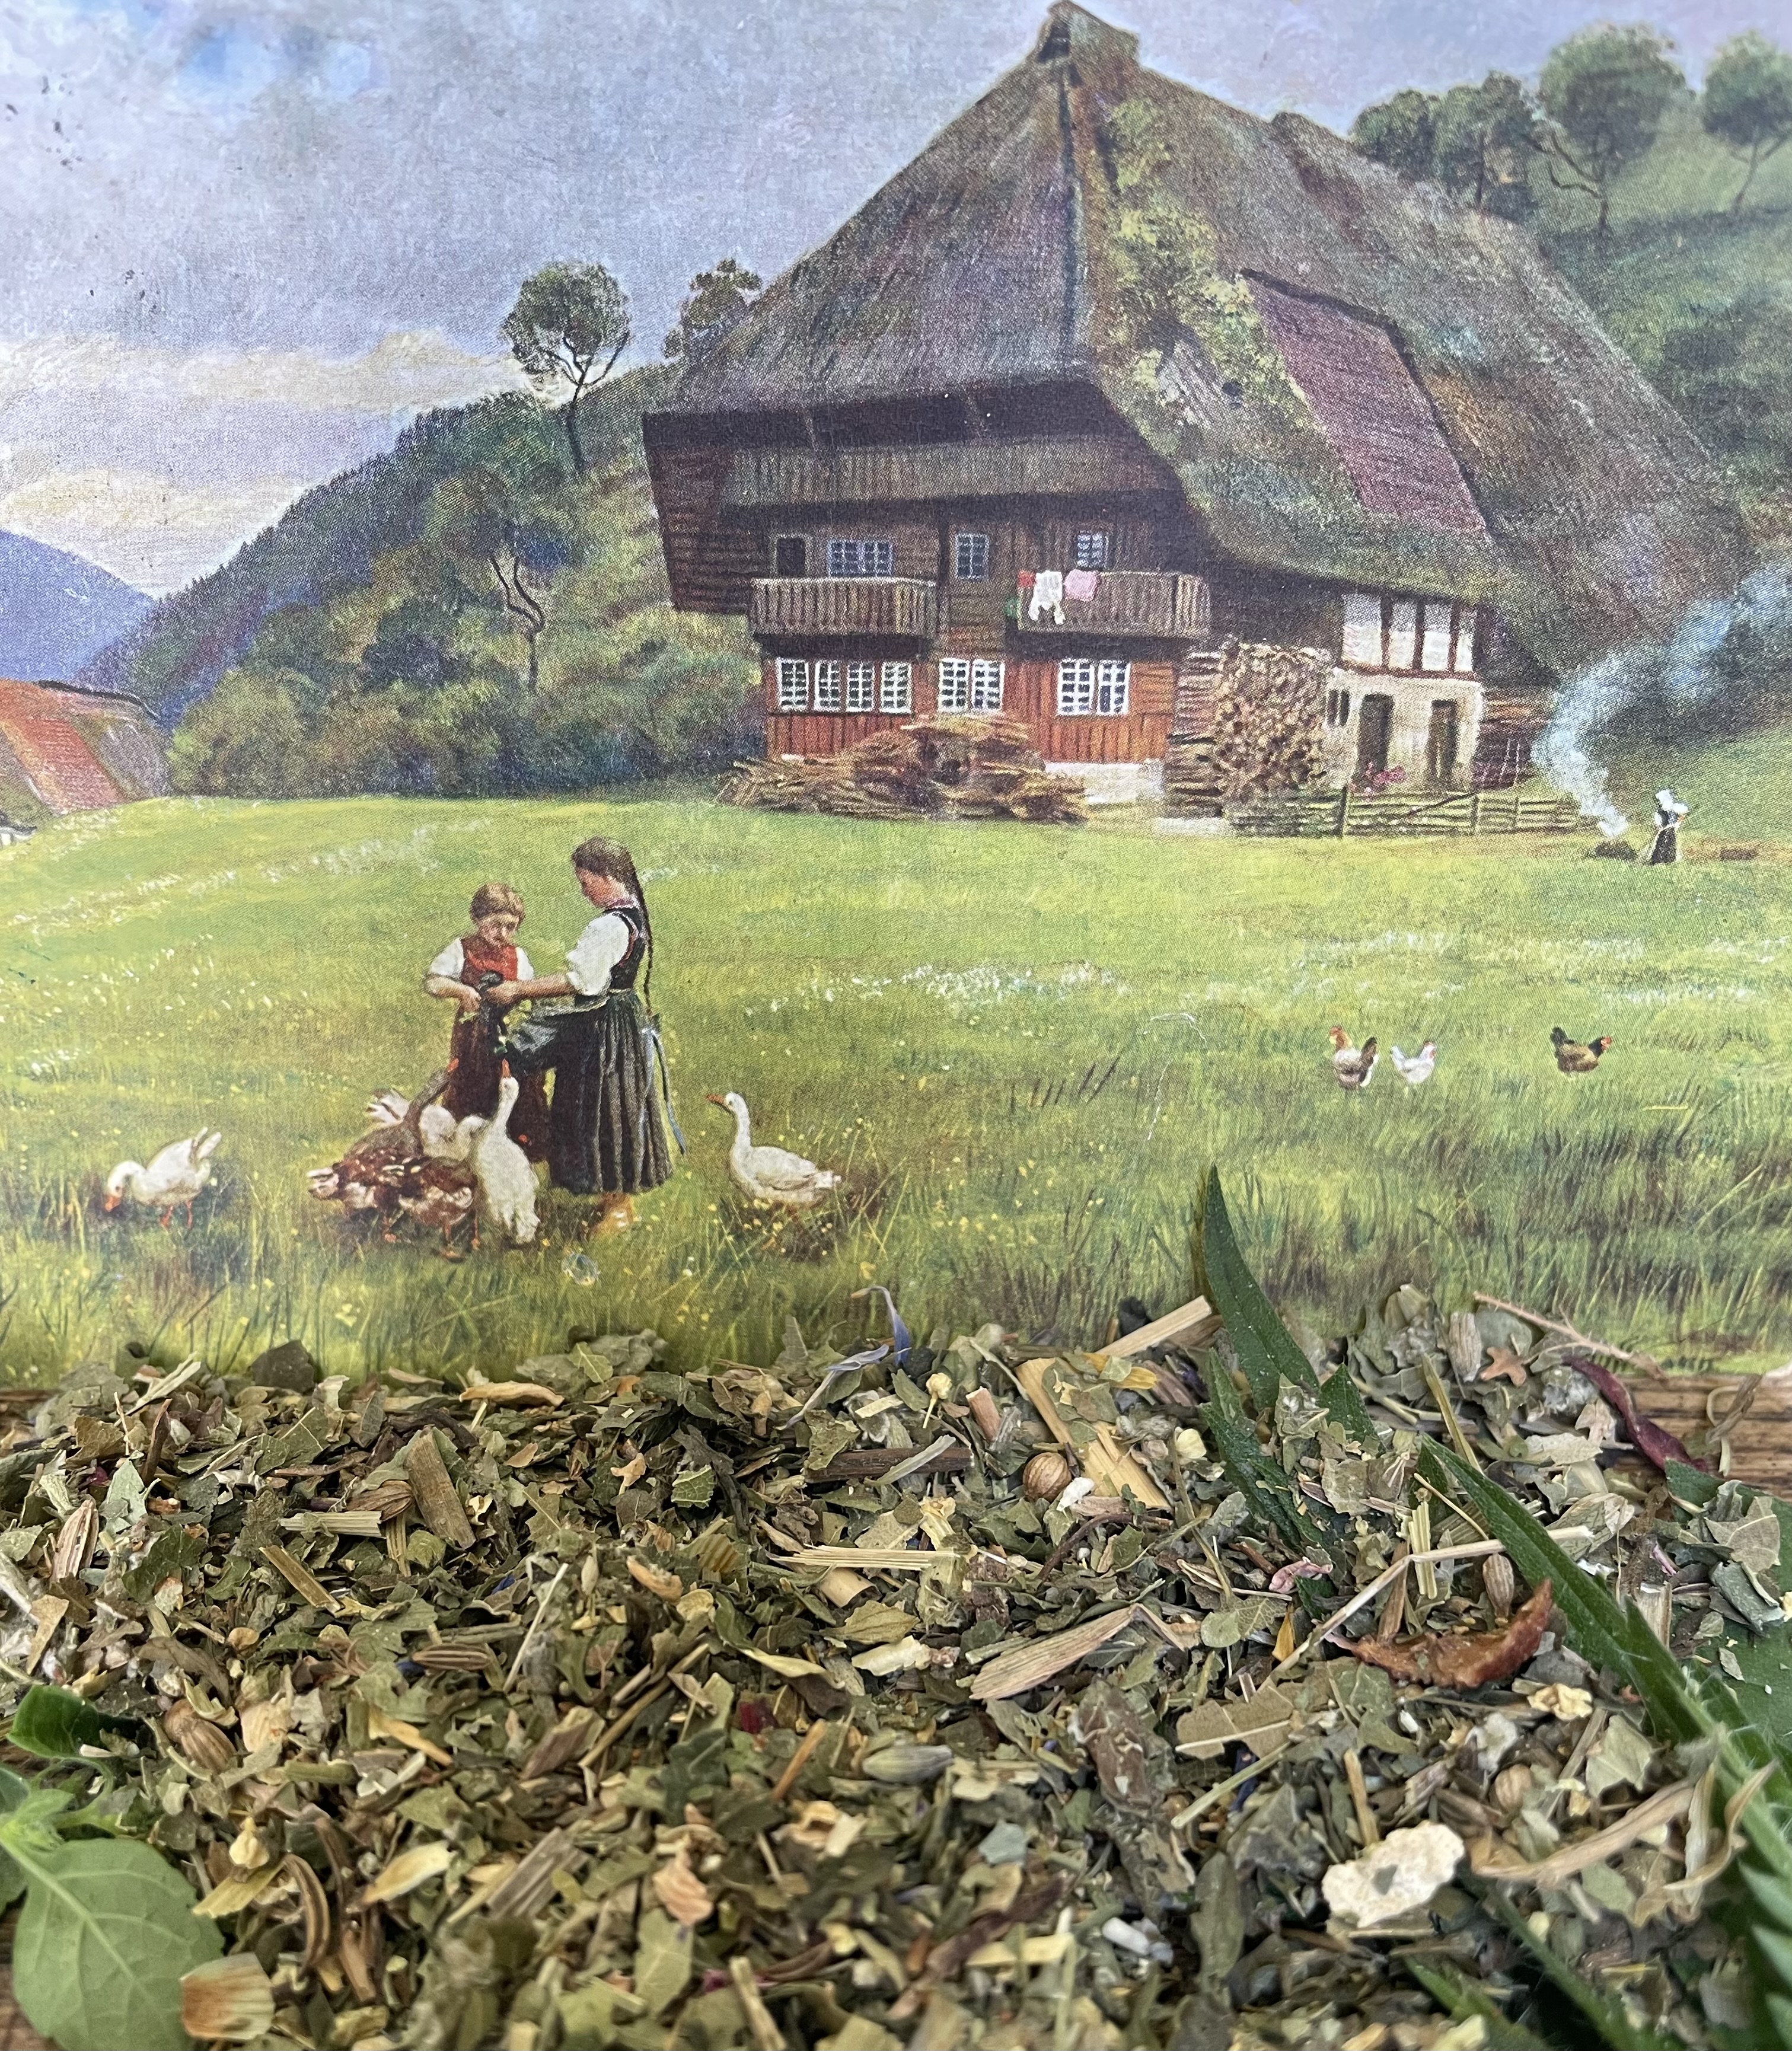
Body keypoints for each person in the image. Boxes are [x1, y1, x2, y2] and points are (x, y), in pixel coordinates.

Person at [488, 837, 675, 1235]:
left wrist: (518, 989)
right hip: (619, 1017)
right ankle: (613, 1198)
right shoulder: (634, 913)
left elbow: (581, 981)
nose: (584, 891)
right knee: (609, 1109)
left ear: (607, 876)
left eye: (586, 882)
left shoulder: (609, 926)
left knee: (604, 1110)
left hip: (605, 1027)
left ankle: (619, 1207)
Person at [422, 883, 549, 1154]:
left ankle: (518, 1142)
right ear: (478, 919)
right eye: (495, 925)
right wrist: (461, 990)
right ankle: (465, 1141)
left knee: (512, 1082)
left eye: (510, 927)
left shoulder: (518, 956)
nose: (502, 934)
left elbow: (528, 991)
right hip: (473, 1036)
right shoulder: (462, 949)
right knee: (470, 1079)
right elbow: (433, 982)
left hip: (508, 1034)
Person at [1647, 789, 1689, 866]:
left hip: (1669, 830)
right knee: (1662, 845)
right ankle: (1659, 861)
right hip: (1664, 831)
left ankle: (1666, 861)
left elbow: (1682, 815)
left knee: (1668, 845)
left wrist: (1677, 824)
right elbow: (1659, 825)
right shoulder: (1661, 813)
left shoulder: (1673, 810)